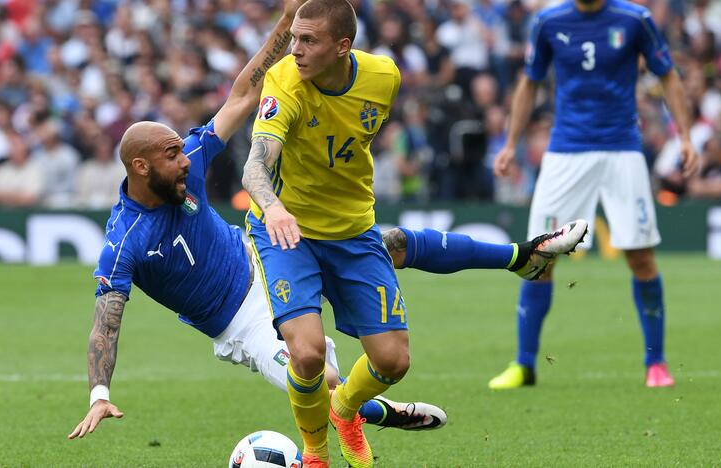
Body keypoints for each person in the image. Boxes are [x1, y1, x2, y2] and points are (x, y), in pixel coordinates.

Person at [67, 0, 450, 442]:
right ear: (140, 167)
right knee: (318, 378)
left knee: (381, 251)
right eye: (171, 155)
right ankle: (375, 411)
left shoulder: (189, 157)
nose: (185, 162)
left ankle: (511, 257)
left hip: (264, 258)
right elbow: (106, 323)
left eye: (180, 150)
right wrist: (99, 393)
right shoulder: (124, 240)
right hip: (237, 322)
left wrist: (287, 22)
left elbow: (244, 95)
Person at [239, 1, 586, 466]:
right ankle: (316, 454)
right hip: (287, 232)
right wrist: (276, 206)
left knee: (393, 361)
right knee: (307, 354)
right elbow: (256, 164)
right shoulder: (284, 81)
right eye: (295, 38)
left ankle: (346, 411)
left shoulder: (384, 77)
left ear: (343, 47)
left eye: (308, 40)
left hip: (353, 230)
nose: (295, 49)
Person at [491, 0, 699, 390]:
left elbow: (667, 75)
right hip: (566, 151)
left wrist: (684, 136)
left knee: (640, 257)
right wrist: (510, 143)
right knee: (540, 257)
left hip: (622, 149)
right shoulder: (549, 21)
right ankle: (524, 364)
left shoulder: (634, 19)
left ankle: (656, 363)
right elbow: (530, 81)